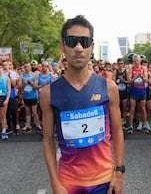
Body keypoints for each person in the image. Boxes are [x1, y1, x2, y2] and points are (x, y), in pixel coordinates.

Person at [41, 15, 124, 194]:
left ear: (92, 47)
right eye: (72, 41)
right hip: (68, 184)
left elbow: (117, 131)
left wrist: (119, 172)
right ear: (63, 47)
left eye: (84, 42)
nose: (78, 48)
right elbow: (48, 139)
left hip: (105, 181)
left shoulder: (109, 87)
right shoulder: (48, 93)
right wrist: (54, 182)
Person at [0, 63, 11, 140]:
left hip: (3, 97)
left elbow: (9, 89)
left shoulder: (6, 78)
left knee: (3, 115)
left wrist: (7, 99)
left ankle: (4, 131)